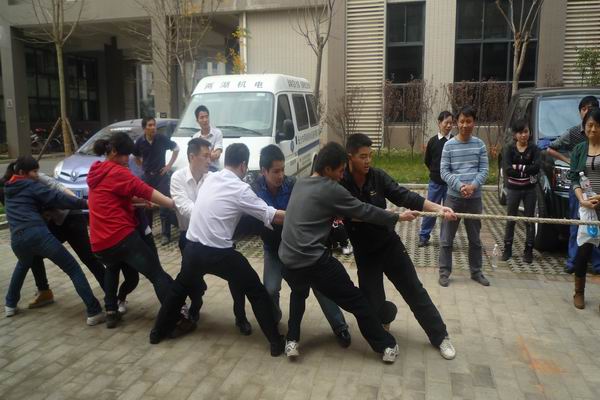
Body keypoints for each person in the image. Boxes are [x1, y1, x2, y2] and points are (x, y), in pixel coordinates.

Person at [150, 144, 286, 357]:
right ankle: (276, 342)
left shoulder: (210, 179)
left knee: (178, 289)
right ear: (243, 165)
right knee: (256, 291)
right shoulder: (241, 189)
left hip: (192, 248)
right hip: (219, 254)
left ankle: (156, 333)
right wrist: (301, 216)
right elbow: (273, 216)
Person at [279, 142, 405, 364]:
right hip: (314, 263)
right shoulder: (331, 188)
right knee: (357, 301)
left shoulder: (301, 183)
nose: (342, 176)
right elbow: (362, 210)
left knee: (298, 293)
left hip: (287, 261)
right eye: (339, 171)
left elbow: (339, 211)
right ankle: (386, 345)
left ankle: (291, 341)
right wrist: (396, 216)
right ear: (327, 169)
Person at [341, 133, 457, 360]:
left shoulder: (377, 177)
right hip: (365, 253)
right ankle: (385, 318)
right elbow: (353, 213)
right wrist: (394, 216)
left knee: (414, 290)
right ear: (350, 157)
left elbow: (405, 196)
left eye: (370, 155)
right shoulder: (341, 183)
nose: (368, 161)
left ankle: (440, 336)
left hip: (389, 245)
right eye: (362, 156)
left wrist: (438, 209)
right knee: (372, 304)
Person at [251, 144, 352, 356]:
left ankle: (339, 326)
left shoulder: (294, 185)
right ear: (263, 171)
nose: (281, 175)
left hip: (300, 248)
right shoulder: (253, 190)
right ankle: (274, 321)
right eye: (275, 171)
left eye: (282, 170)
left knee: (321, 287)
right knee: (270, 289)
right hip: (273, 249)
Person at [89, 132, 177, 329]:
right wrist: (173, 204)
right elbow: (146, 190)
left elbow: (113, 197)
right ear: (113, 152)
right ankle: (175, 318)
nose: (127, 160)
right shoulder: (118, 172)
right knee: (156, 274)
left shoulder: (97, 170)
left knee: (112, 268)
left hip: (99, 242)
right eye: (125, 155)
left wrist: (139, 202)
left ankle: (111, 312)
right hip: (120, 237)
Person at [3, 156, 104, 324]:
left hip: (17, 239)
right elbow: (58, 197)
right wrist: (86, 204)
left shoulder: (8, 188)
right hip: (37, 234)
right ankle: (94, 312)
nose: (37, 175)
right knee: (73, 269)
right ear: (22, 172)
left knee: (22, 264)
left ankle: (10, 304)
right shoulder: (31, 186)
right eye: (34, 172)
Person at [170, 137, 251, 334]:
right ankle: (194, 309)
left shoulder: (211, 178)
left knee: (236, 279)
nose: (210, 160)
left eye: (210, 156)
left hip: (218, 239)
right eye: (206, 156)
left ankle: (240, 316)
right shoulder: (178, 178)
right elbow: (186, 208)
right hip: (190, 238)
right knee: (192, 282)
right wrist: (211, 213)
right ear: (192, 157)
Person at [547, 96, 600, 274]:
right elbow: (550, 148)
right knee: (577, 226)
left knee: (597, 227)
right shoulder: (575, 136)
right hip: (579, 193)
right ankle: (574, 262)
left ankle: (597, 263)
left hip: (598, 195)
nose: (592, 129)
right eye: (584, 108)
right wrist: (568, 161)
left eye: (592, 108)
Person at [439, 106, 490, 287]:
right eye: (461, 121)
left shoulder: (480, 145)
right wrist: (460, 186)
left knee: (475, 239)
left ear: (473, 123)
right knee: (447, 238)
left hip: (474, 199)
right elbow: (444, 171)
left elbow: (484, 170)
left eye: (468, 121)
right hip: (453, 198)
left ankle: (476, 272)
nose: (465, 125)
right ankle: (444, 272)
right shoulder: (448, 145)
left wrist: (473, 186)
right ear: (456, 123)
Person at [567, 107, 600, 310]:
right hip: (587, 208)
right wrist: (582, 200)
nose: (593, 129)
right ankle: (579, 292)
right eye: (590, 125)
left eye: (597, 125)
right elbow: (574, 178)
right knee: (583, 251)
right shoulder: (579, 149)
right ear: (584, 126)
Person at [134, 117, 180, 245]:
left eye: (154, 125)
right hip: (147, 177)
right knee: (146, 206)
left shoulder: (161, 138)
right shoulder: (140, 141)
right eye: (150, 125)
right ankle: (148, 232)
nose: (153, 127)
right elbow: (135, 156)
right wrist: (143, 167)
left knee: (164, 206)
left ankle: (166, 235)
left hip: (161, 176)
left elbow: (176, 148)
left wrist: (169, 166)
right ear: (144, 128)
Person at [501, 118, 541, 264]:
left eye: (526, 131)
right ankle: (507, 248)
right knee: (511, 219)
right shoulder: (509, 149)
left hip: (530, 189)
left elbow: (536, 168)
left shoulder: (534, 149)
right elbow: (508, 169)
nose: (523, 135)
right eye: (520, 132)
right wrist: (526, 169)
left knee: (529, 220)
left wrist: (518, 167)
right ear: (515, 135)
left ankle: (528, 250)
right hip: (513, 189)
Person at [419, 111, 454, 247]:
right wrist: (435, 173)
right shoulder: (433, 141)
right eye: (446, 123)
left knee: (448, 212)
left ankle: (446, 239)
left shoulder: (454, 141)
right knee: (430, 210)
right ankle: (424, 236)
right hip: (435, 183)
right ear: (439, 123)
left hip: (450, 184)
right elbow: (427, 161)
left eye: (451, 123)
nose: (449, 126)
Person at [193, 105, 223, 172]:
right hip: (200, 170)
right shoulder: (195, 137)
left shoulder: (217, 133)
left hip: (213, 170)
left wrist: (202, 155)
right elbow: (195, 158)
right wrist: (210, 153)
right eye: (202, 118)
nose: (205, 120)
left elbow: (216, 155)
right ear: (197, 120)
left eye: (206, 117)